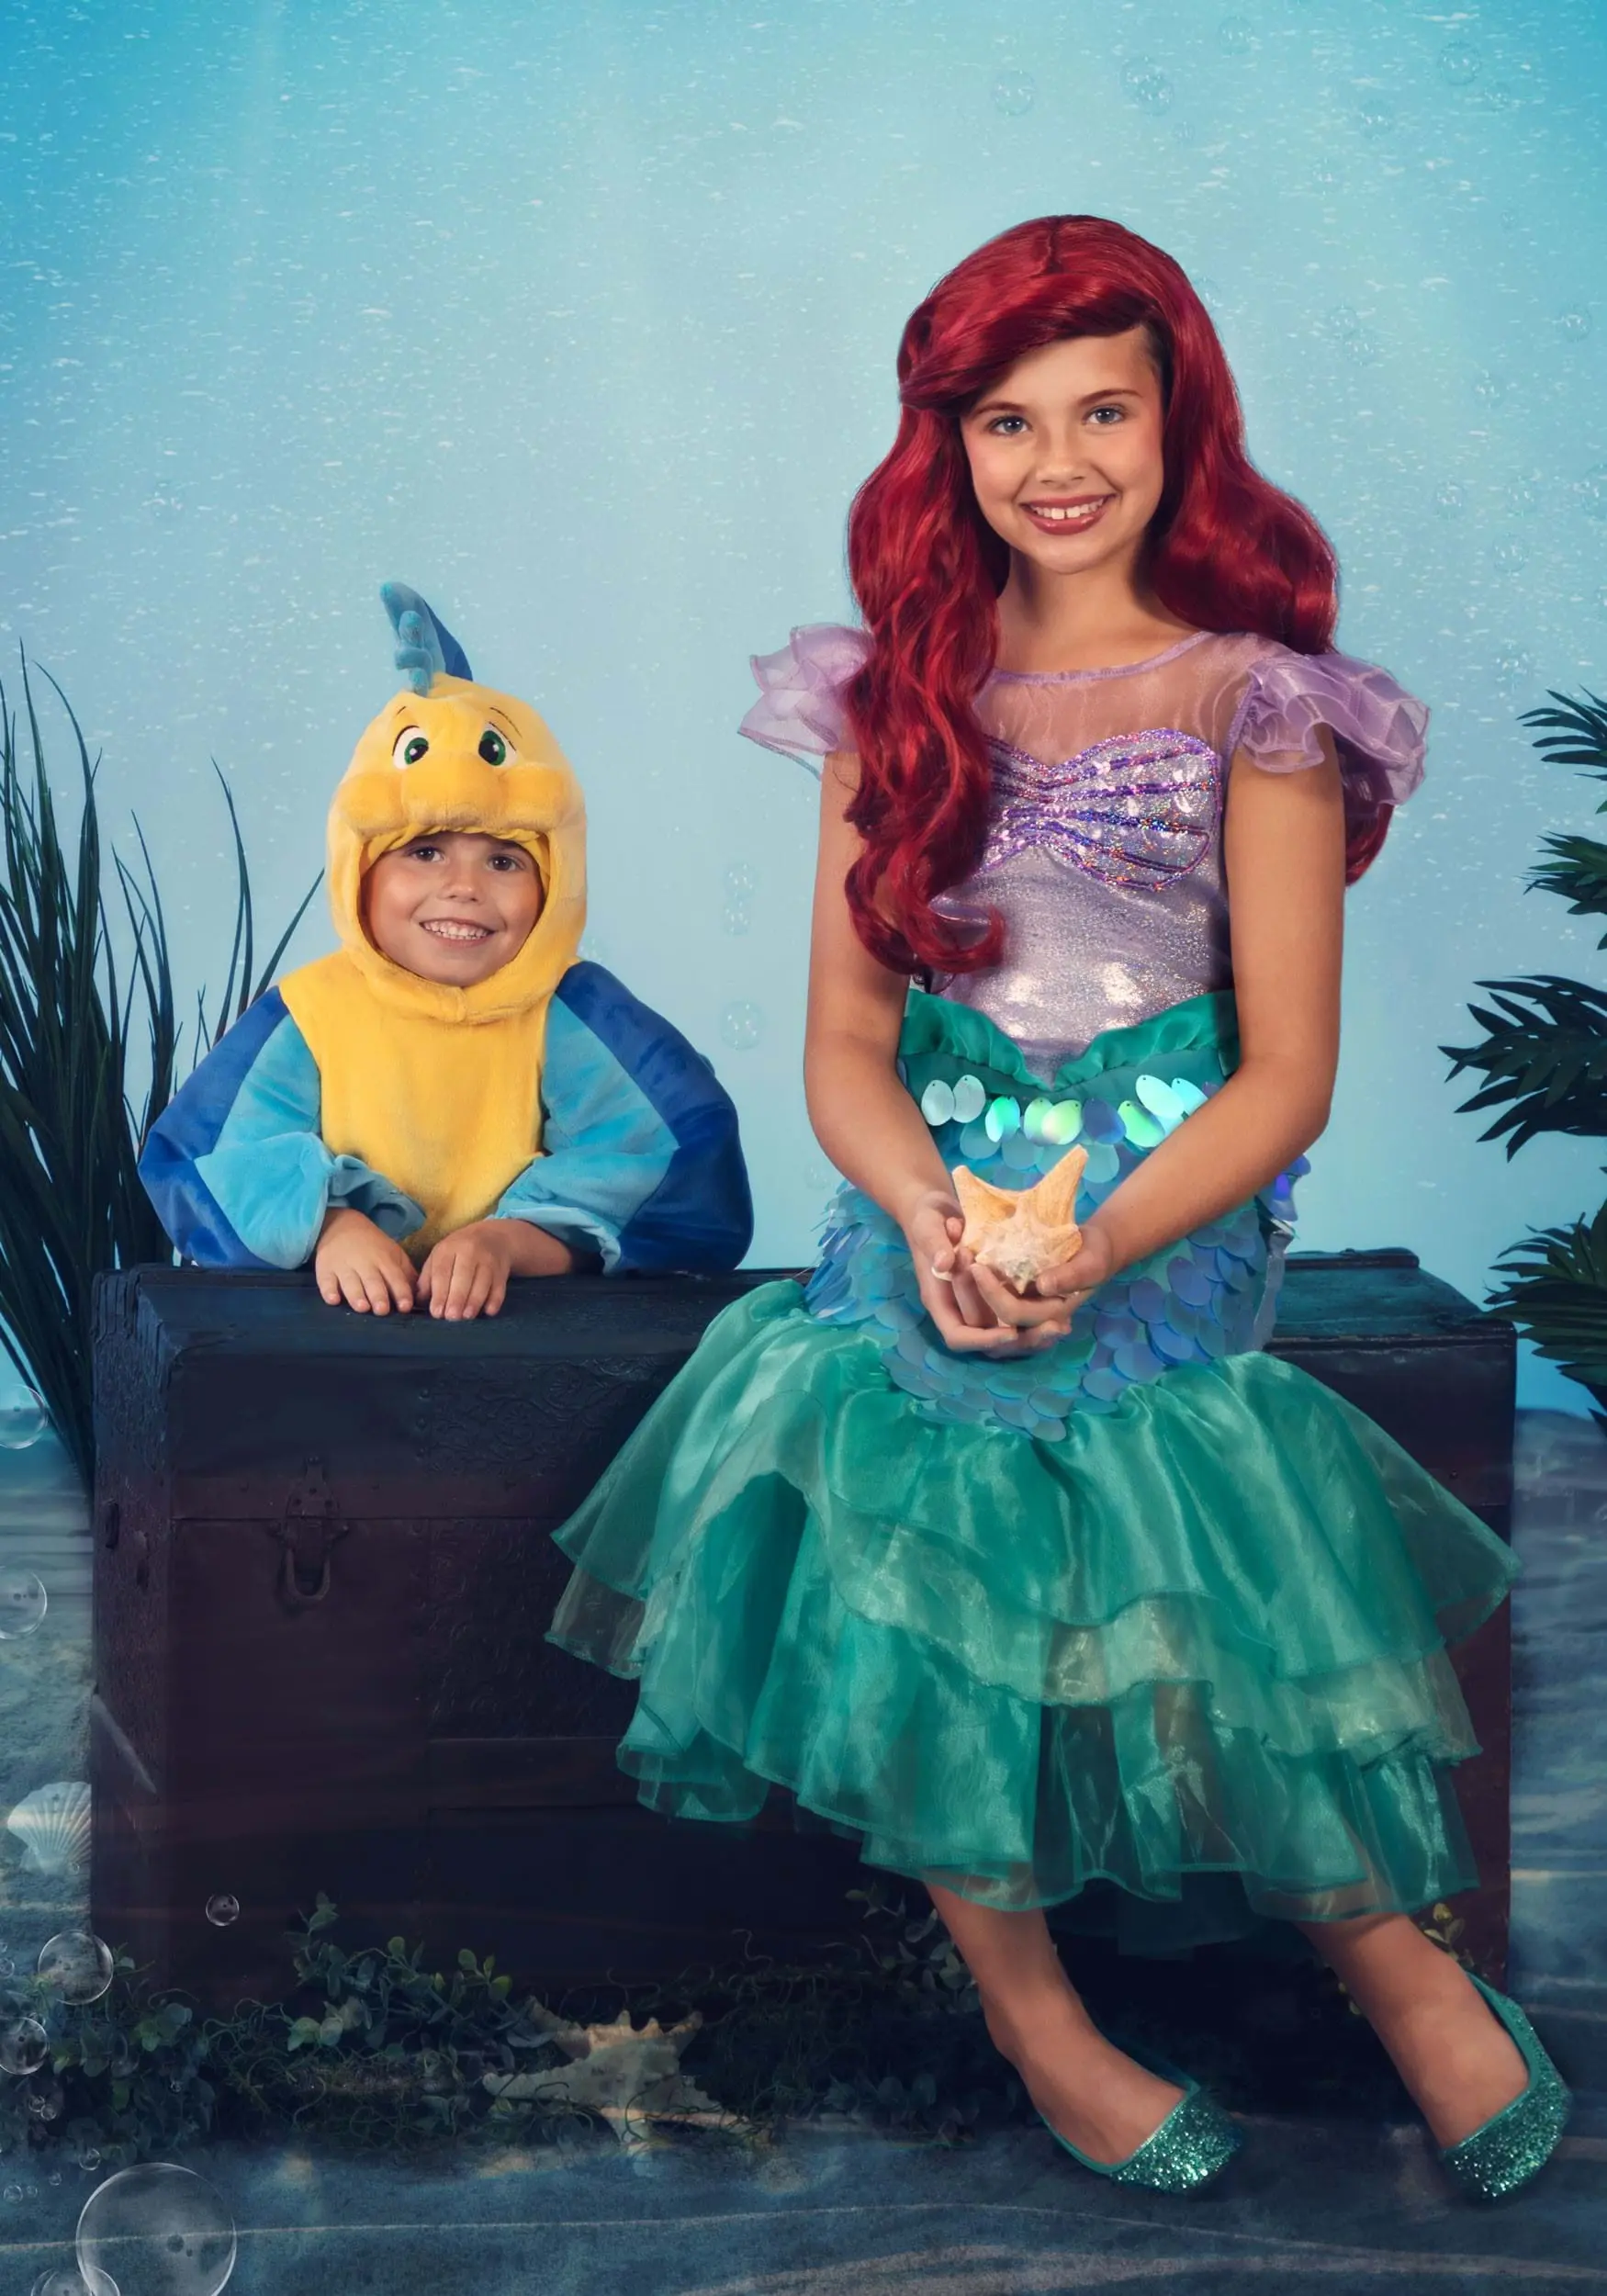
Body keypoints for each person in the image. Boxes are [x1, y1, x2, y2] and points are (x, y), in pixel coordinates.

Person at [543, 217, 1568, 2199]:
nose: (1058, 460)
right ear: (948, 443)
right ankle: (1036, 2017)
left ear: (1182, 421)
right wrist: (935, 1219)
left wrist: (1094, 1238)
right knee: (903, 1430)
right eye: (1006, 421)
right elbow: (848, 1049)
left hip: (1164, 1188)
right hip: (935, 1188)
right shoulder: (889, 701)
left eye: (1103, 409)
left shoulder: (1257, 704)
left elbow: (1285, 1073)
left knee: (1184, 1476)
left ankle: (1393, 1964)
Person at [140, 585, 752, 1312]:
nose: (464, 888)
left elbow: (680, 1157)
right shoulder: (310, 1012)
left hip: (529, 1343)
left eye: (504, 860)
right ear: (360, 868)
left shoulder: (570, 1007)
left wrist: (512, 1243)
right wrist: (330, 1226)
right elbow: (204, 1160)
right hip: (336, 1347)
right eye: (424, 852)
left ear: (554, 880)